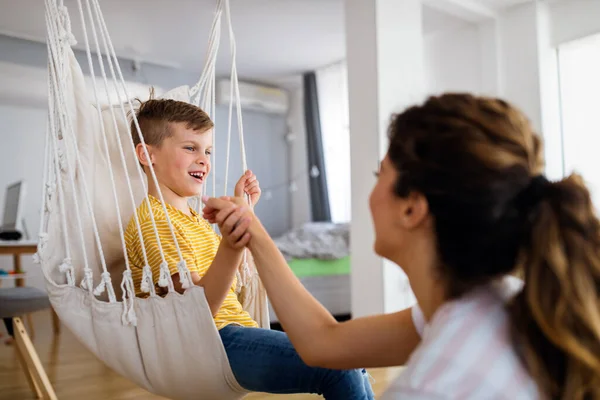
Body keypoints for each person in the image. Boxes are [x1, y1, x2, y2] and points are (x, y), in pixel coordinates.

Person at [203, 93, 600, 399]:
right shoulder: (497, 302)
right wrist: (253, 232)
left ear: (412, 208)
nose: (371, 192)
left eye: (380, 174)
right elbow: (324, 341)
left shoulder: (429, 387)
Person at [123, 97, 374, 399]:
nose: (204, 159)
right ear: (147, 155)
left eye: (208, 150)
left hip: (236, 332)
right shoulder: (154, 221)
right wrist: (232, 242)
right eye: (190, 148)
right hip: (212, 343)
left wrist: (245, 216)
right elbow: (196, 314)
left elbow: (235, 285)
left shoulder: (192, 220)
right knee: (338, 365)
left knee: (349, 359)